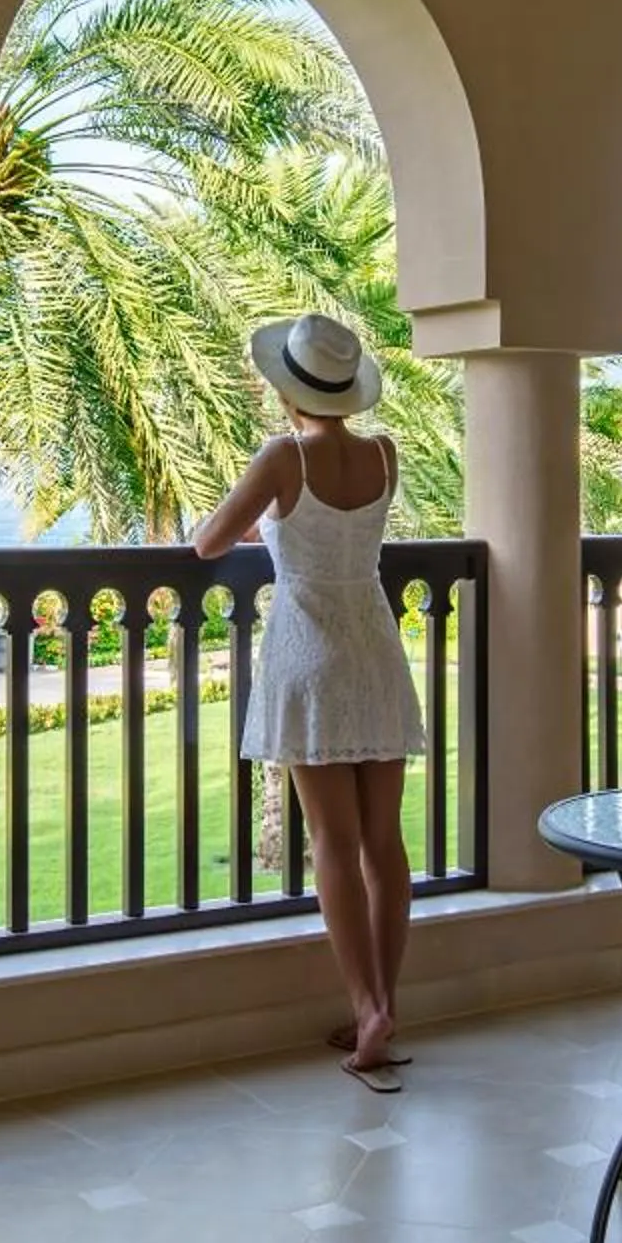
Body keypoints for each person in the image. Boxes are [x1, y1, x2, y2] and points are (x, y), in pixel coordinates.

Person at [195, 314, 428, 1092]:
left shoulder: (283, 457)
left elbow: (208, 542)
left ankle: (366, 1010)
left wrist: (267, 522)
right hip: (375, 646)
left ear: (285, 388)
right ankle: (385, 1002)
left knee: (333, 841)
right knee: (383, 843)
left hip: (309, 652)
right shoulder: (384, 454)